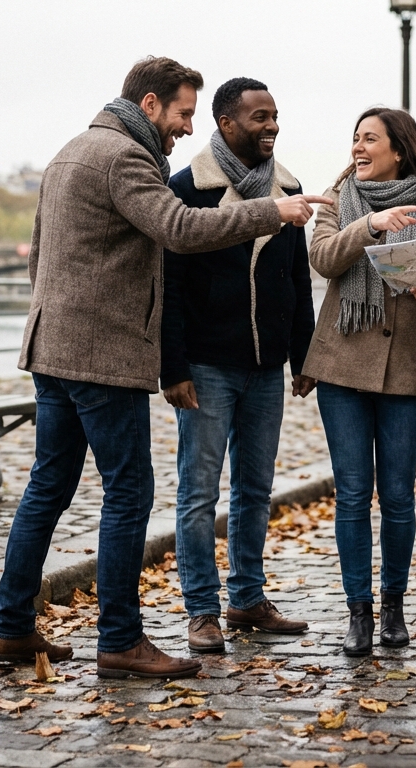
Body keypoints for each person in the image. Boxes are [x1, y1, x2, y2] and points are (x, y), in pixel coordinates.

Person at [0, 57, 330, 680]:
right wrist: (271, 213)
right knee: (128, 492)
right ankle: (119, 638)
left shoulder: (69, 151)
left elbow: (39, 255)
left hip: (51, 349)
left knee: (47, 487)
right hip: (101, 356)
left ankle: (10, 628)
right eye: (181, 113)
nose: (183, 128)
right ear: (149, 104)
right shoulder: (125, 157)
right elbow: (177, 229)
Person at [301, 108, 416, 656]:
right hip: (342, 366)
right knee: (352, 494)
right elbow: (322, 259)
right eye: (354, 138)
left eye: (369, 138)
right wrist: (370, 226)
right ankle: (359, 614)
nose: (358, 147)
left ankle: (393, 605)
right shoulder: (338, 200)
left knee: (396, 495)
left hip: (407, 369)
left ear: (400, 149)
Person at [160, 77, 316, 653]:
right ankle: (201, 609)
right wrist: (171, 368)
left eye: (275, 115)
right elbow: (169, 288)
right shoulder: (186, 190)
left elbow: (298, 282)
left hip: (266, 367)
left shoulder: (289, 188)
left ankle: (247, 599)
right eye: (259, 117)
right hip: (205, 367)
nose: (271, 125)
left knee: (256, 488)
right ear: (225, 124)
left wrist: (304, 355)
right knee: (198, 492)